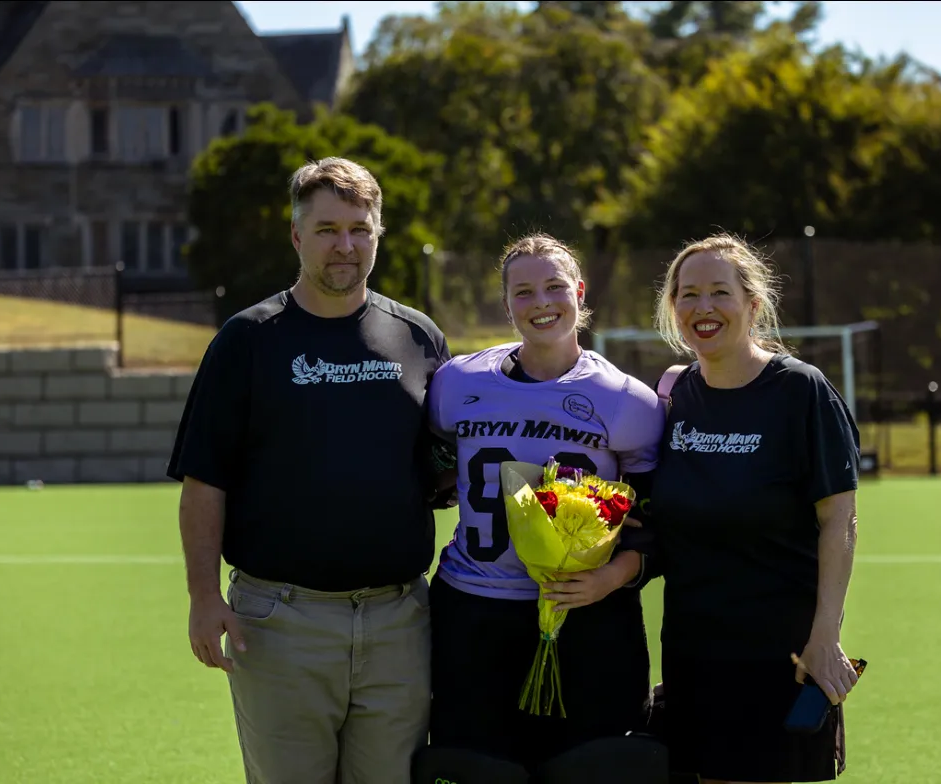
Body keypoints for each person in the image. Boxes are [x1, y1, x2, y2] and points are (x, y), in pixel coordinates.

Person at [167, 157, 453, 784]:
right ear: (297, 236)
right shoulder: (247, 340)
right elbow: (204, 481)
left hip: (398, 621)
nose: (345, 245)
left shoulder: (420, 338)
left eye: (359, 229)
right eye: (327, 230)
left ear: (378, 234)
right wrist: (202, 597)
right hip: (280, 621)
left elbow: (440, 466)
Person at [419, 233, 668, 780]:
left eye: (555, 287)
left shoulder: (627, 400)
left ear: (580, 292)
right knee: (478, 768)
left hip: (587, 613)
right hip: (475, 608)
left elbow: (655, 521)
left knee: (591, 767)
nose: (541, 303)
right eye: (524, 292)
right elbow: (433, 465)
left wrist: (610, 578)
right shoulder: (457, 383)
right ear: (506, 303)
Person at [648, 233, 862, 784]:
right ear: (673, 307)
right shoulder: (673, 396)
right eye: (689, 294)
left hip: (778, 652)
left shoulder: (800, 391)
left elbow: (839, 520)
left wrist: (825, 637)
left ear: (753, 303)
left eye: (720, 292)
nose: (704, 307)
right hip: (692, 650)